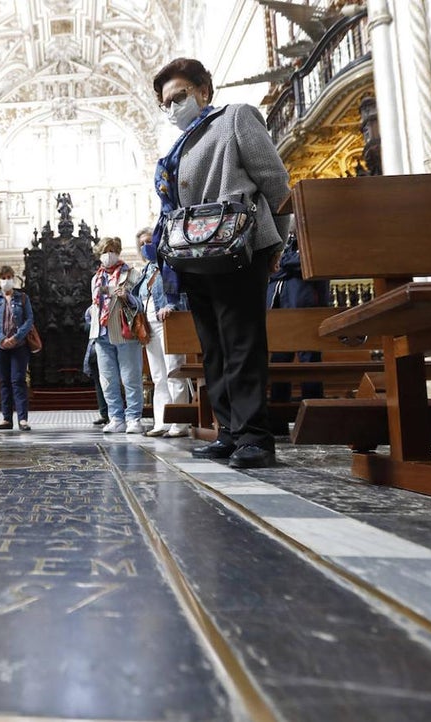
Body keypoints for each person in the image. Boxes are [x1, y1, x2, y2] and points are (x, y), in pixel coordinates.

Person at [147, 57, 291, 467]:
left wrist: (278, 239)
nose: (173, 107)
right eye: (166, 103)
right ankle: (229, 431)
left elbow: (275, 183)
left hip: (237, 247)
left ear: (203, 91)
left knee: (241, 342)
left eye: (180, 97)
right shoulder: (179, 146)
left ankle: (255, 438)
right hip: (194, 257)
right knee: (213, 348)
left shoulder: (235, 118)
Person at [267, 231, 331, 429]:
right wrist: (287, 263)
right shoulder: (283, 240)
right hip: (278, 307)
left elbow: (309, 261)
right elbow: (270, 269)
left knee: (309, 360)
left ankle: (315, 420)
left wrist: (282, 262)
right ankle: (278, 419)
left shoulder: (314, 234)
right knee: (279, 361)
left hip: (305, 306)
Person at [131, 227, 190, 438]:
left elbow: (180, 291)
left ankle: (180, 423)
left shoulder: (170, 265)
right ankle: (162, 421)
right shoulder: (146, 270)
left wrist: (171, 306)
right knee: (158, 376)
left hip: (169, 323)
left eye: (149, 242)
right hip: (149, 325)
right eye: (141, 244)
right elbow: (141, 300)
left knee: (174, 371)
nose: (145, 247)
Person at [90, 236, 144, 434]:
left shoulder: (131, 274)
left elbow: (141, 305)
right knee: (108, 380)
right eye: (105, 251)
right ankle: (115, 418)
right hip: (101, 333)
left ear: (118, 252)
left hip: (124, 332)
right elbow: (96, 304)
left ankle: (133, 418)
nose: (108, 255)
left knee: (130, 378)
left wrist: (126, 296)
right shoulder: (96, 278)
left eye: (112, 250)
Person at [0, 265, 34, 431]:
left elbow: (29, 320)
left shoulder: (22, 298)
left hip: (19, 346)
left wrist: (15, 338)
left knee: (18, 380)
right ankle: (6, 418)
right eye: (3, 278)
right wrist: (1, 339)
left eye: (9, 277)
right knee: (4, 382)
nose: (6, 280)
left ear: (13, 279)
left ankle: (23, 419)